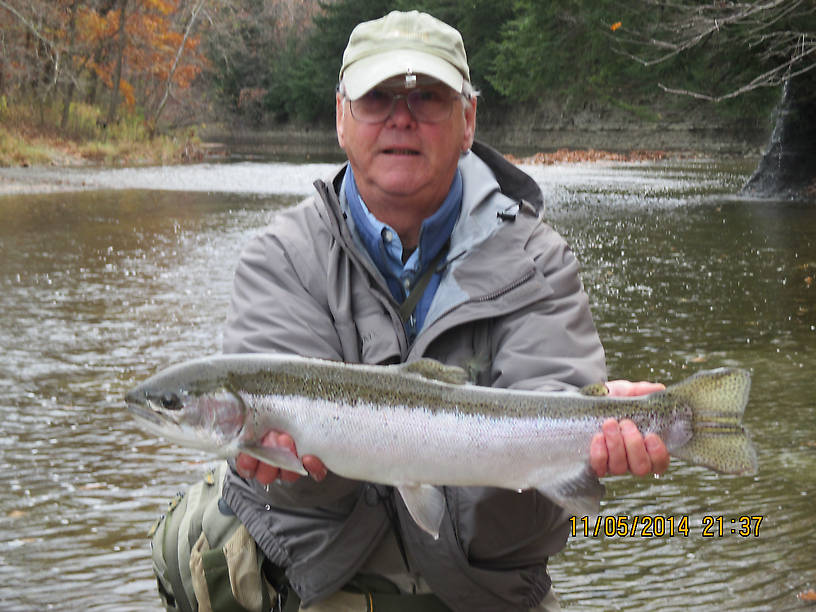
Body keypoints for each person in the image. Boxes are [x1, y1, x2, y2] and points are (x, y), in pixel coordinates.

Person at [154, 10, 669, 612]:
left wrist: (592, 437)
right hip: (321, 587)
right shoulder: (281, 257)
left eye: (427, 97)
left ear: (468, 119)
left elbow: (533, 500)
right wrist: (283, 474)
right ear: (341, 117)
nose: (401, 117)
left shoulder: (538, 259)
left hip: (486, 592)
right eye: (377, 98)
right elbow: (292, 507)